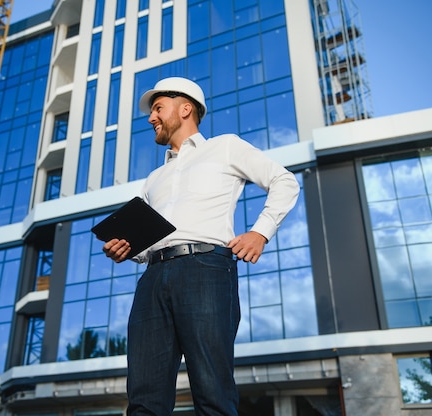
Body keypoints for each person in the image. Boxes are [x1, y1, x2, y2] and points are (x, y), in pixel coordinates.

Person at [102, 77, 300, 415]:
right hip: (152, 279)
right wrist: (127, 249)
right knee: (143, 398)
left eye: (158, 109)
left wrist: (260, 232)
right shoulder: (153, 179)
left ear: (185, 108)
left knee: (212, 390)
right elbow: (147, 244)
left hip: (205, 270)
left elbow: (284, 181)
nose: (152, 118)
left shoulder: (225, 147)